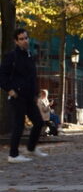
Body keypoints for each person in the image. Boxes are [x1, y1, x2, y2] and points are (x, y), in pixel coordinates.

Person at [0, 27, 49, 162]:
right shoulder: (11, 56)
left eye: (26, 38)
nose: (25, 41)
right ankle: (13, 155)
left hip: (29, 97)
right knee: (18, 125)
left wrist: (36, 92)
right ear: (16, 41)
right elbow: (2, 75)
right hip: (17, 96)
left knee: (39, 122)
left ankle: (31, 148)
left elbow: (32, 77)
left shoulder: (29, 56)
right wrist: (9, 89)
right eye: (21, 39)